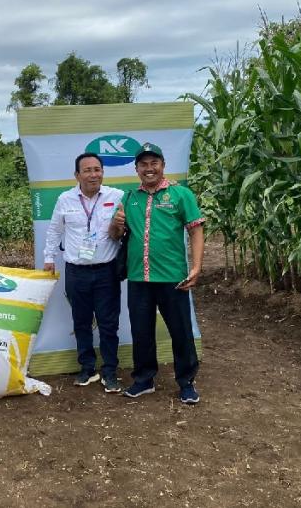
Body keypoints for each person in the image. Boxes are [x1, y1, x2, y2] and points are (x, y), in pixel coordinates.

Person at [109, 142, 204, 405]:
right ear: (137, 168)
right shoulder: (129, 198)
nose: (149, 169)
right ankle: (144, 379)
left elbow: (196, 230)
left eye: (154, 163)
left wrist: (196, 267)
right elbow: (116, 236)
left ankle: (186, 382)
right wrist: (115, 226)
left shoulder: (181, 194)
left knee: (181, 330)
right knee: (141, 331)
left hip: (173, 277)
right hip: (139, 277)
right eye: (143, 164)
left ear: (163, 166)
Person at [44, 152, 124, 391]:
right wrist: (49, 258)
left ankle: (110, 371)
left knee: (109, 324)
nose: (93, 174)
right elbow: (54, 231)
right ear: (77, 175)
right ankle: (87, 368)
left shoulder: (116, 196)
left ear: (103, 172)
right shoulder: (65, 199)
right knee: (81, 322)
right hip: (76, 272)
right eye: (87, 170)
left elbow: (142, 198)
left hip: (107, 271)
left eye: (97, 169)